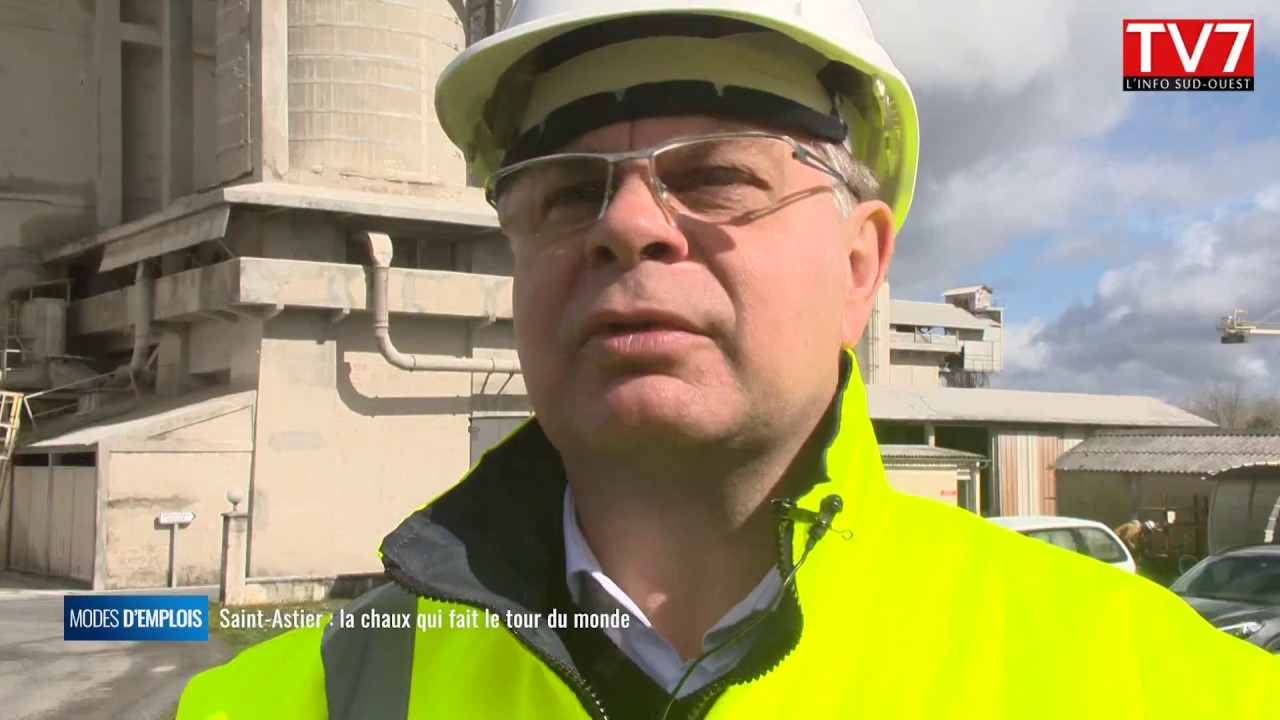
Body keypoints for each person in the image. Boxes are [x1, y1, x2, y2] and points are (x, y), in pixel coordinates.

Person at [176, 1, 1280, 718]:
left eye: (714, 178)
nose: (627, 225)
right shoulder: (300, 698)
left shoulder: (1147, 683)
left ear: (860, 265)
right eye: (567, 191)